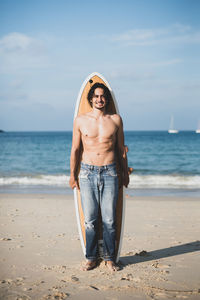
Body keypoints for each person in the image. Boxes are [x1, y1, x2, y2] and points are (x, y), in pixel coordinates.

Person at [69, 82, 129, 272]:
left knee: (110, 219)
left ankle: (110, 258)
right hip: (87, 172)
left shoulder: (116, 120)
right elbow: (76, 149)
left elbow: (121, 150)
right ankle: (91, 257)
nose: (99, 99)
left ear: (107, 99)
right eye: (96, 96)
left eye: (103, 96)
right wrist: (72, 174)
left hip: (110, 172)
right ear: (91, 99)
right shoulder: (80, 120)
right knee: (91, 220)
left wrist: (125, 172)